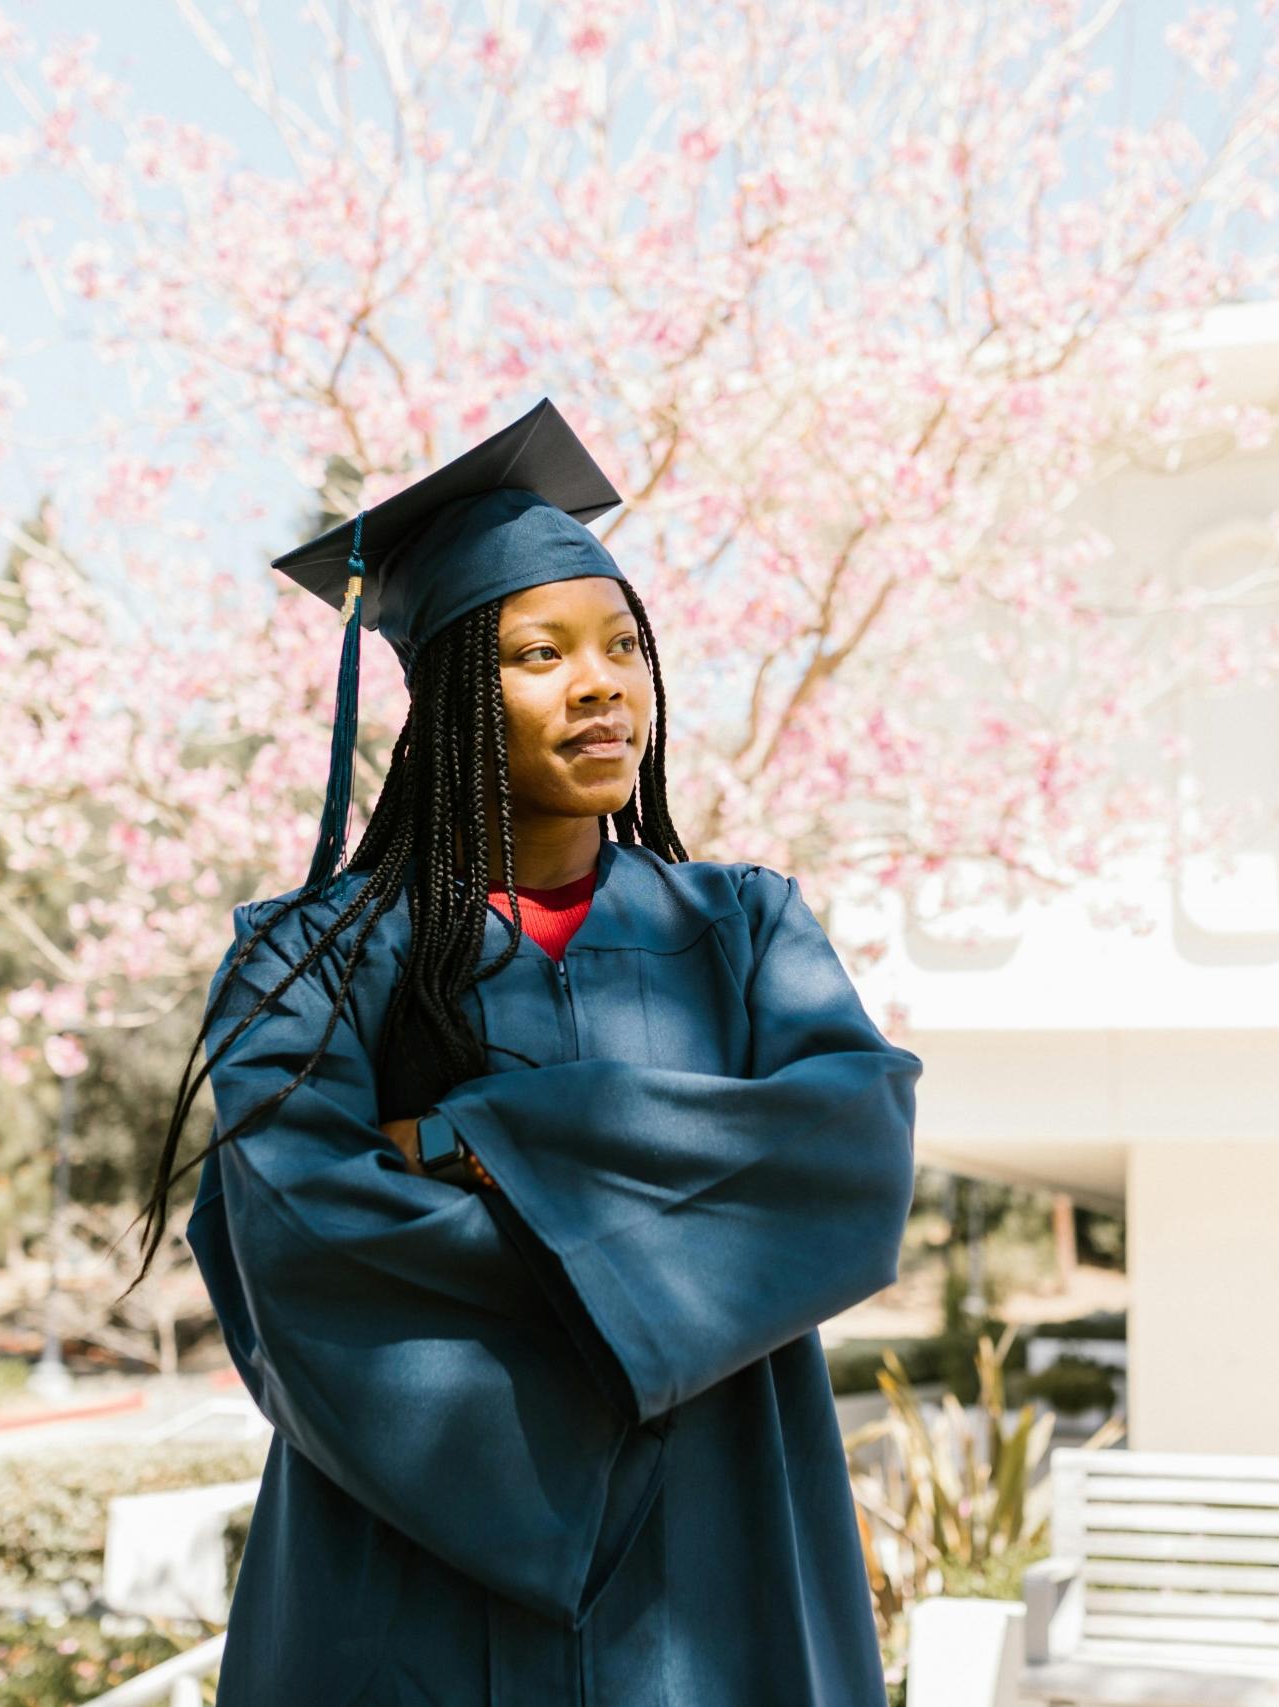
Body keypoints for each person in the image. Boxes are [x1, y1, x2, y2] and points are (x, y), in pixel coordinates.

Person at [136, 398, 923, 1705]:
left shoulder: (744, 928)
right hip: (410, 1564)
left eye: (624, 647)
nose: (604, 682)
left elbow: (849, 1157)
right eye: (541, 654)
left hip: (714, 1547)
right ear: (453, 700)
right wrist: (661, 1256)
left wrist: (478, 1144)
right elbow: (295, 1228)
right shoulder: (309, 958)